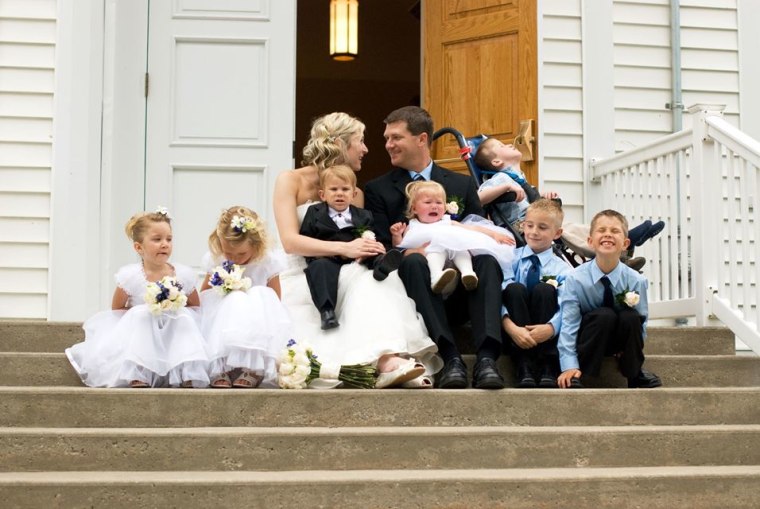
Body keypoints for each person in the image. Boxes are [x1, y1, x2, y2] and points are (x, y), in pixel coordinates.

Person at [273, 112, 442, 389]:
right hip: (304, 271)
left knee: (374, 279)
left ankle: (388, 360)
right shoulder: (290, 181)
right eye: (360, 142)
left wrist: (367, 247)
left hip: (346, 267)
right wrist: (346, 247)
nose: (365, 149)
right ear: (340, 144)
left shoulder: (356, 194)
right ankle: (377, 363)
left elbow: (358, 236)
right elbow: (290, 241)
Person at [364, 106, 506, 390]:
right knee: (414, 261)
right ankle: (450, 357)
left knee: (488, 261)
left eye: (395, 137)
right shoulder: (377, 190)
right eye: (387, 138)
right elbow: (378, 249)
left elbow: (474, 229)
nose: (388, 145)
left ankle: (487, 359)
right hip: (417, 289)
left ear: (421, 139)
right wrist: (408, 252)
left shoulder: (462, 184)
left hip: (462, 285)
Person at [65, 209, 210, 388]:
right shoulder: (131, 276)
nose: (165, 244)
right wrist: (148, 312)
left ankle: (186, 370)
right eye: (157, 239)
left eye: (169, 239)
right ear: (139, 247)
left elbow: (195, 306)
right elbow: (117, 308)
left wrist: (172, 308)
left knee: (184, 317)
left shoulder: (182, 275)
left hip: (172, 334)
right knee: (142, 313)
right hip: (143, 333)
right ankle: (139, 371)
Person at [474, 136, 664, 269]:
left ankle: (621, 246)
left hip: (538, 219)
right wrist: (504, 189)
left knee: (579, 228)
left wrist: (544, 199)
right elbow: (478, 197)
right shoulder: (500, 179)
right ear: (497, 161)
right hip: (521, 227)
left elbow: (531, 202)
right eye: (501, 145)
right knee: (567, 231)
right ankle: (617, 252)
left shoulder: (519, 178)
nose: (508, 144)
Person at [556, 209, 662, 389]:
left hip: (619, 342)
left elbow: (641, 323)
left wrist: (632, 353)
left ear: (625, 244)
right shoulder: (575, 279)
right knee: (604, 315)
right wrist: (569, 365)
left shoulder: (636, 280)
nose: (607, 235)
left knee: (631, 317)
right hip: (590, 339)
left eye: (614, 231)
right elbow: (569, 324)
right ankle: (581, 373)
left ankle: (634, 372)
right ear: (590, 241)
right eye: (602, 230)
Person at [299, 164, 403, 329]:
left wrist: (370, 249)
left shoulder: (363, 215)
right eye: (333, 189)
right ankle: (327, 312)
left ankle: (381, 266)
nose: (339, 193)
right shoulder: (314, 212)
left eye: (345, 189)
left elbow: (368, 235)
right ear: (323, 194)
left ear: (354, 194)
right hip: (327, 256)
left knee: (373, 250)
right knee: (320, 268)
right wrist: (319, 255)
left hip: (357, 256)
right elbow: (306, 238)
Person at [199, 206, 291, 389]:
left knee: (259, 294)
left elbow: (275, 298)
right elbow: (204, 294)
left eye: (241, 254)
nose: (235, 259)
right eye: (229, 253)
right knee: (232, 300)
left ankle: (252, 368)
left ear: (256, 245)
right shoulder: (217, 259)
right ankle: (220, 367)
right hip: (223, 316)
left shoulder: (267, 261)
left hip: (255, 319)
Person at [392, 180, 515, 293]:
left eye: (439, 202)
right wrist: (396, 235)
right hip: (431, 256)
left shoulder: (447, 221)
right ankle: (437, 277)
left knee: (461, 249)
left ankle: (468, 273)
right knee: (435, 251)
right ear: (414, 209)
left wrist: (494, 234)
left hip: (454, 256)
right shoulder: (412, 226)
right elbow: (400, 247)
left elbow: (472, 229)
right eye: (428, 202)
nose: (434, 206)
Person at [501, 199, 571, 388]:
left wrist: (551, 328)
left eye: (542, 227)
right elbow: (498, 296)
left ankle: (548, 365)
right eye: (529, 225)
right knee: (513, 288)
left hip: (547, 335)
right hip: (515, 332)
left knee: (544, 288)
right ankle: (523, 365)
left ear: (557, 233)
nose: (533, 232)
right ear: (522, 225)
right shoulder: (509, 259)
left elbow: (568, 305)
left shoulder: (563, 269)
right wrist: (511, 327)